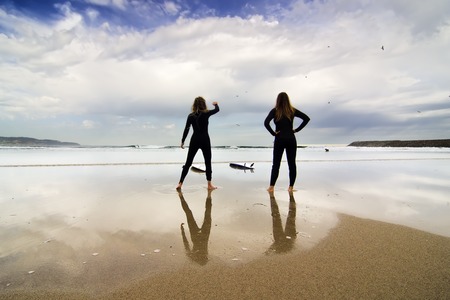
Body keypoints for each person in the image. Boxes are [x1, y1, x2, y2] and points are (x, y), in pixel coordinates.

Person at [264, 92, 310, 192]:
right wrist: (296, 130)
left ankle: (271, 187)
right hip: (291, 139)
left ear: (278, 100)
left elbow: (266, 123)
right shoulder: (292, 110)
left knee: (276, 164)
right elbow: (306, 119)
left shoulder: (275, 111)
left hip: (279, 139)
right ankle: (291, 187)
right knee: (292, 164)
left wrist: (274, 133)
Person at [177, 96, 219, 190]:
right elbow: (217, 110)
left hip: (194, 140)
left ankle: (180, 183)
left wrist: (183, 141)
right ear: (203, 104)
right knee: (207, 162)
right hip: (205, 140)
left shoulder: (191, 116)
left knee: (188, 163)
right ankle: (209, 184)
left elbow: (186, 129)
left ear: (194, 105)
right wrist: (216, 104)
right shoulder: (206, 113)